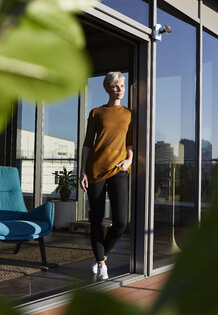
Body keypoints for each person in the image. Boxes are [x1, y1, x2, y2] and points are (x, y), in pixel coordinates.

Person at [80, 71, 133, 281]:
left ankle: (100, 254)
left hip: (119, 169)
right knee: (97, 219)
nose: (119, 89)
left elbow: (130, 142)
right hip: (95, 170)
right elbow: (87, 144)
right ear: (107, 88)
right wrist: (83, 170)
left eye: (121, 85)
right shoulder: (96, 112)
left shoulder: (129, 114)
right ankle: (101, 263)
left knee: (121, 221)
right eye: (115, 86)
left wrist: (129, 160)